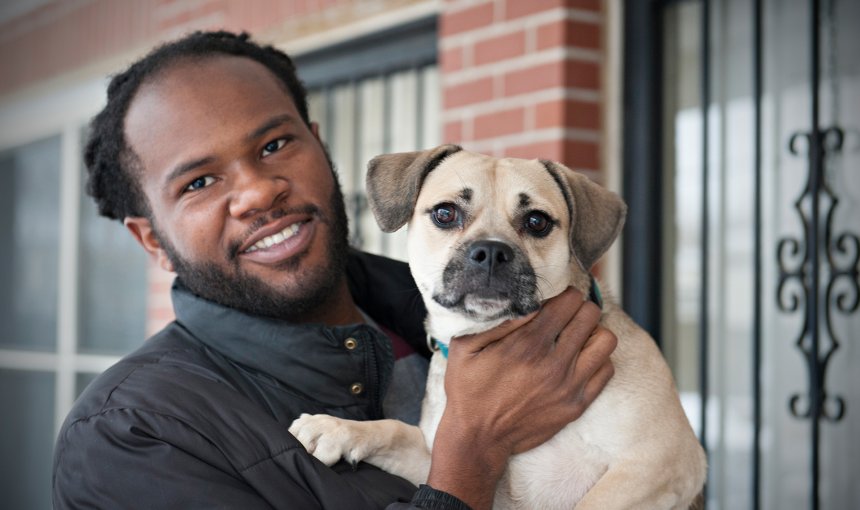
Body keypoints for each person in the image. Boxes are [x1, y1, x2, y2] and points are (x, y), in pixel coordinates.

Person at [52, 31, 617, 510]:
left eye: (275, 144)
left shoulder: (475, 316)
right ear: (153, 239)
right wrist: (472, 450)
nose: (257, 190)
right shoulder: (130, 436)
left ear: (319, 147)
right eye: (198, 182)